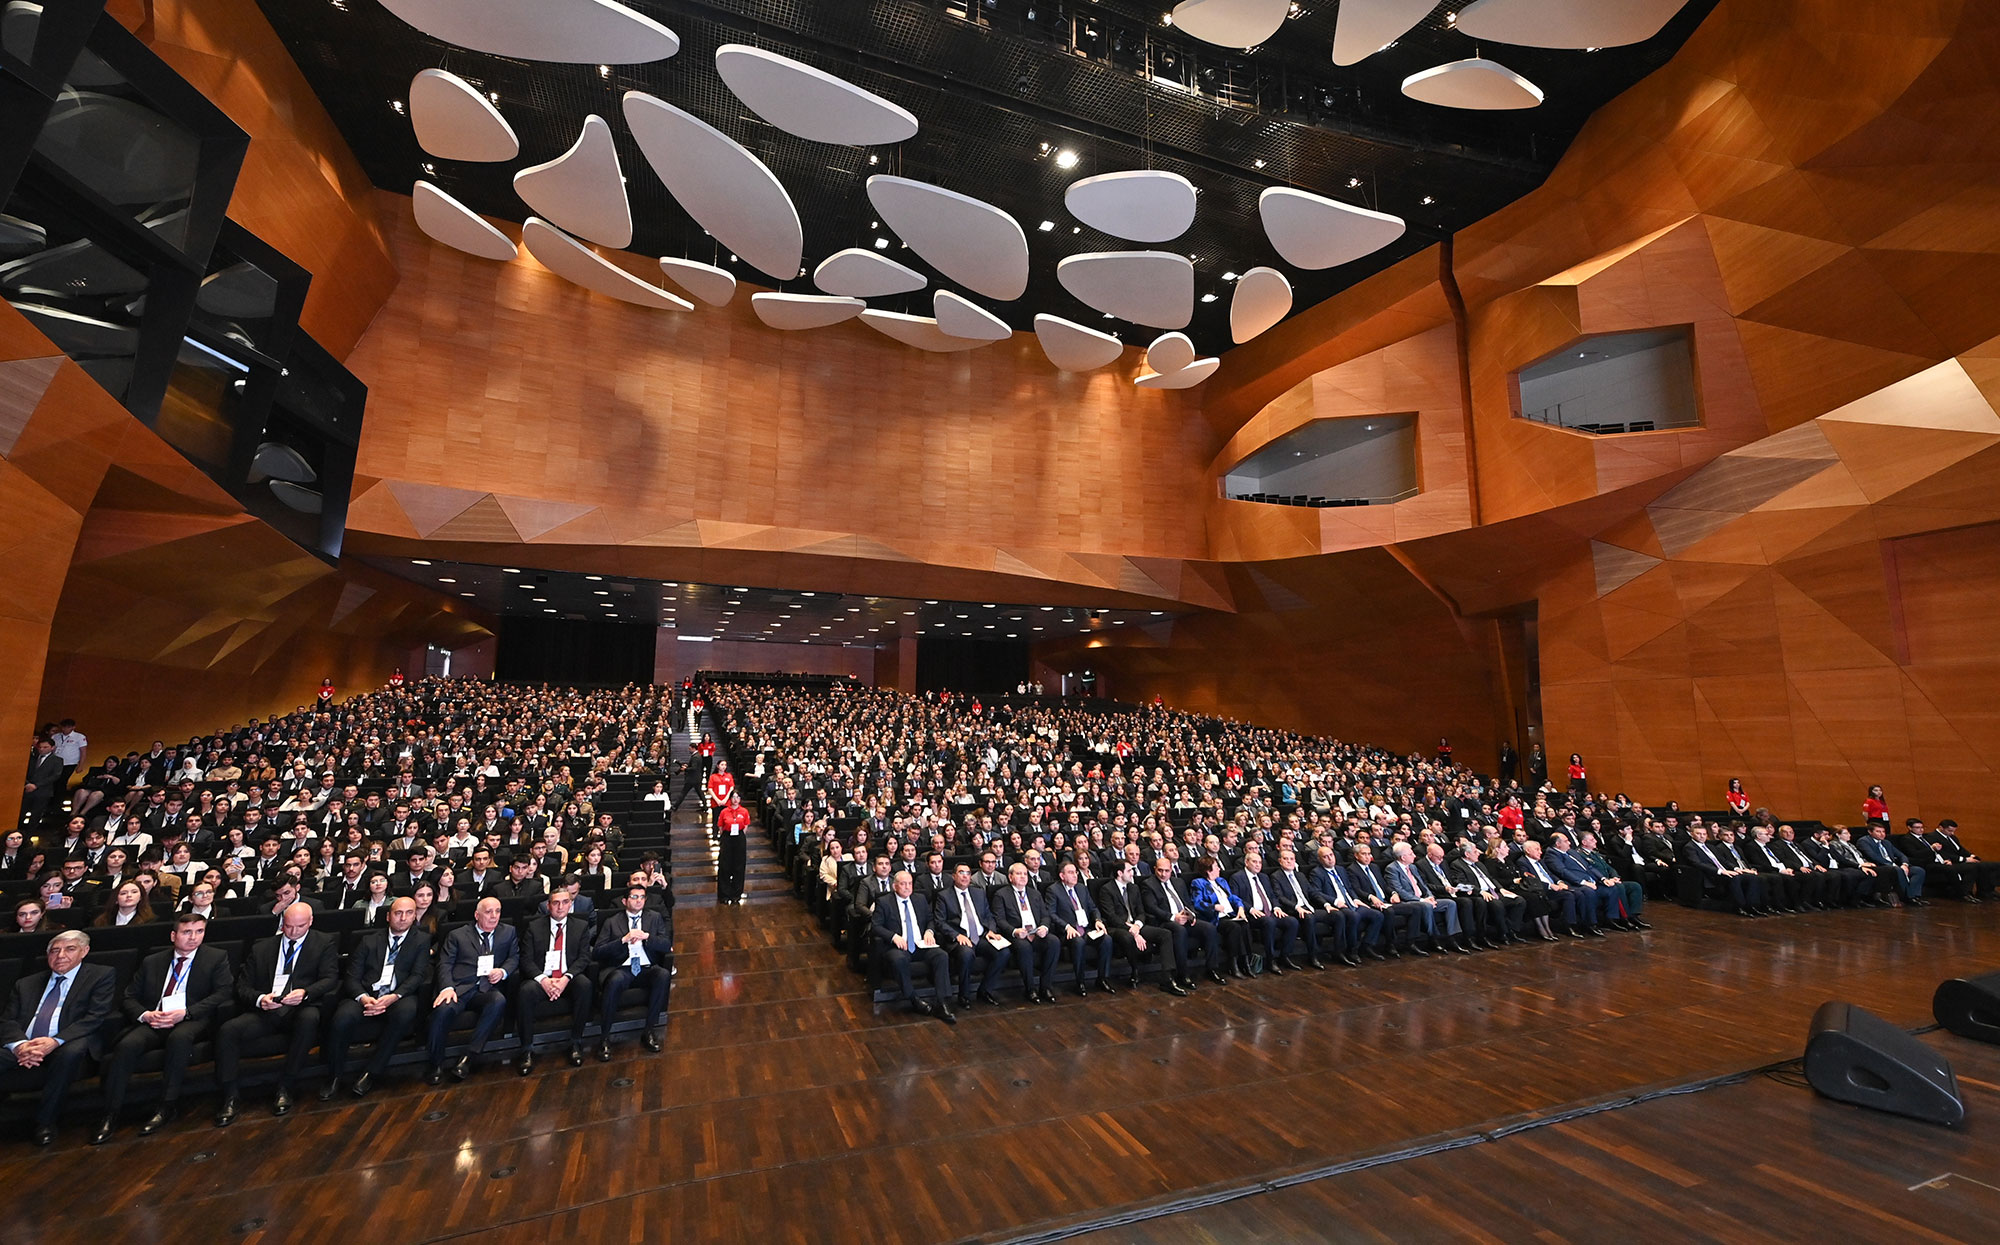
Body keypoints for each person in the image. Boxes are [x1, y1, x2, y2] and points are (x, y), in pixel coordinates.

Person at [96, 913, 234, 1142]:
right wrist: (146, 1015)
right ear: (173, 935)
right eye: (187, 932)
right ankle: (110, 1112)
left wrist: (187, 1013)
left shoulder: (216, 957)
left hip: (191, 1019)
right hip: (156, 1019)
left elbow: (223, 992)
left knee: (179, 1039)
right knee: (128, 1045)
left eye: (199, 931)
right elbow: (129, 997)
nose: (193, 938)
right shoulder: (153, 961)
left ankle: (166, 1106)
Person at [213, 902, 339, 1125]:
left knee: (310, 1019)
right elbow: (242, 986)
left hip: (299, 1007)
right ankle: (230, 1095)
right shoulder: (262, 948)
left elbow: (329, 978)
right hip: (267, 1009)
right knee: (228, 1030)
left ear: (310, 922)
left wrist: (305, 993)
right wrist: (261, 999)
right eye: (288, 926)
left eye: (299, 927)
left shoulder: (324, 943)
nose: (293, 932)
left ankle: (286, 1086)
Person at [0, 930, 118, 1145]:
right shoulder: (26, 983)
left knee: (71, 1052)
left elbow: (95, 1017)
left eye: (69, 949)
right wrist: (20, 1047)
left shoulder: (101, 975)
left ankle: (45, 1122)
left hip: (67, 1041)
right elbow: (7, 1021)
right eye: (54, 951)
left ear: (84, 951)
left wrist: (54, 1041)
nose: (60, 955)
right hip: (26, 1044)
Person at [322, 896, 432, 1099]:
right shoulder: (369, 940)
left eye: (409, 913)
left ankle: (371, 1071)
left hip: (398, 995)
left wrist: (394, 996)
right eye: (398, 913)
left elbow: (418, 975)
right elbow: (352, 976)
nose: (403, 918)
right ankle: (334, 1076)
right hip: (367, 995)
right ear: (388, 916)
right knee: (342, 1017)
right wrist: (364, 998)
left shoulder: (421, 940)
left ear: (414, 916)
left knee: (407, 1012)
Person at [428, 896, 517, 1083]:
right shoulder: (458, 935)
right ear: (477, 915)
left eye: (498, 911)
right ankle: (436, 1064)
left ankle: (469, 1057)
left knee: (498, 1001)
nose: (494, 916)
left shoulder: (508, 932)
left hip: (486, 988)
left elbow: (514, 958)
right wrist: (447, 988)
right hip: (459, 988)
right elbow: (444, 964)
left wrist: (502, 971)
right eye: (488, 912)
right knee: (443, 1010)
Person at [516, 887, 596, 1072]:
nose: (560, 907)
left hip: (568, 978)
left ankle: (576, 1042)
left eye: (565, 902)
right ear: (548, 905)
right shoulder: (534, 927)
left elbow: (584, 957)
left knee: (585, 985)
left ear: (570, 904)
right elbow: (526, 959)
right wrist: (544, 980)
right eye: (556, 903)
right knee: (525, 991)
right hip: (542, 979)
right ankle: (526, 1049)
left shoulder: (580, 926)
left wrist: (565, 979)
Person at [593, 884, 673, 1058]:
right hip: (623, 968)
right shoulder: (612, 921)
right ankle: (605, 1037)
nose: (638, 901)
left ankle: (649, 1030)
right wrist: (623, 940)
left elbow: (666, 945)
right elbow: (598, 951)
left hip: (645, 967)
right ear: (625, 901)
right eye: (634, 897)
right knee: (615, 980)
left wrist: (648, 937)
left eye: (642, 897)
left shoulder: (655, 918)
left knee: (663, 975)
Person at [872, 870, 955, 1023]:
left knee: (941, 955)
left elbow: (931, 919)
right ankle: (913, 999)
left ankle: (942, 1002)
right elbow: (875, 926)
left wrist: (929, 931)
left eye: (910, 883)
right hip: (898, 946)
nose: (907, 887)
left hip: (920, 944)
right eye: (903, 884)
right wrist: (893, 936)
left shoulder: (920, 899)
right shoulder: (884, 902)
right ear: (895, 886)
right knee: (898, 960)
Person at [936, 863, 1010, 1006]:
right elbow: (940, 922)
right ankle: (964, 995)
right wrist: (956, 935)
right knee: (966, 954)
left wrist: (991, 930)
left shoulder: (978, 893)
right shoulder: (944, 896)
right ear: (953, 876)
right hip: (960, 938)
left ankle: (985, 990)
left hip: (982, 936)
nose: (965, 876)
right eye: (961, 872)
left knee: (1004, 952)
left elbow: (989, 915)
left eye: (968, 873)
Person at [992, 861, 1060, 1004]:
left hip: (1036, 932)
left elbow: (1045, 915)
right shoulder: (1001, 894)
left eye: (1025, 874)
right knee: (1024, 947)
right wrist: (1014, 931)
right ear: (1010, 877)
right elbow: (999, 920)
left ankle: (1046, 987)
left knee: (1053, 941)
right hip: (1018, 934)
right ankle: (1030, 989)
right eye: (1018, 873)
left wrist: (1044, 927)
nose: (1023, 877)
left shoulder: (1034, 893)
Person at [1046, 859, 1115, 996]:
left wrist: (1097, 920)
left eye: (1075, 872)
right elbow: (1051, 914)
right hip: (1068, 932)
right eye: (1070, 873)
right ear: (1062, 876)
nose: (1074, 875)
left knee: (1106, 939)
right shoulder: (1053, 890)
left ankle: (1102, 978)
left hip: (1086, 929)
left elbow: (1093, 908)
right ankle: (1080, 982)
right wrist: (1066, 926)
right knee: (1079, 942)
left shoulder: (1082, 888)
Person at [1857, 823, 1927, 906]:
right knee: (1898, 870)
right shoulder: (1864, 841)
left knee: (1918, 871)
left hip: (1894, 865)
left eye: (1883, 831)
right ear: (1870, 832)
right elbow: (1873, 856)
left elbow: (1901, 855)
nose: (1882, 834)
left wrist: (1905, 864)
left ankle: (1915, 895)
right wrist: (1893, 864)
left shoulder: (1886, 842)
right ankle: (1909, 897)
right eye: (1878, 831)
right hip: (1879, 866)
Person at [716, 790, 751, 904]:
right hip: (727, 838)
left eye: (738, 797)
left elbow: (745, 826)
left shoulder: (744, 811)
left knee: (739, 866)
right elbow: (721, 827)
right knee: (725, 866)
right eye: (733, 797)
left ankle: (736, 894)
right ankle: (724, 894)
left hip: (739, 838)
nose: (735, 800)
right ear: (730, 799)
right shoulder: (724, 811)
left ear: (740, 799)